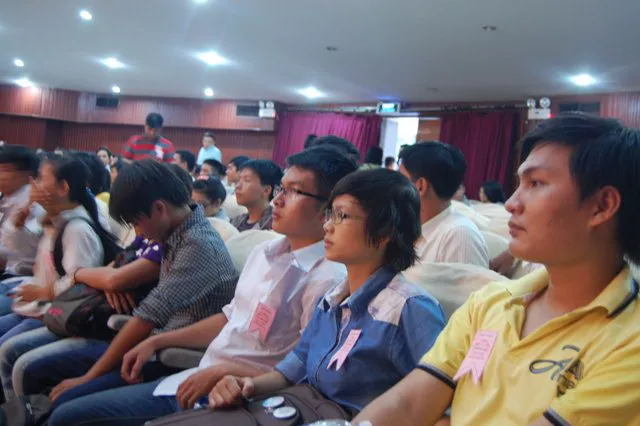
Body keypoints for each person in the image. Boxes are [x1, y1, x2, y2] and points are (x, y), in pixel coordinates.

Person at [353, 113, 640, 426]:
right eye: (519, 184)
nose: (512, 203)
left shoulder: (629, 339)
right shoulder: (490, 302)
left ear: (602, 206)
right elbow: (409, 403)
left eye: (536, 183)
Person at [45, 145, 357, 425]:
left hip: (243, 398)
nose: (277, 199)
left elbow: (308, 374)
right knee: (65, 407)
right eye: (281, 188)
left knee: (68, 415)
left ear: (330, 208)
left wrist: (225, 373)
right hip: (201, 374)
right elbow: (230, 317)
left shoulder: (328, 281)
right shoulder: (265, 252)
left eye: (294, 191)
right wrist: (159, 341)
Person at [208, 169, 446, 416]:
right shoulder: (333, 298)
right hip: (305, 411)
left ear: (384, 232)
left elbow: (438, 400)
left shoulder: (410, 309)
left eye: (342, 215)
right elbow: (297, 365)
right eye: (331, 214)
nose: (328, 226)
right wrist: (247, 385)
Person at [20, 160, 239, 409]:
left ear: (159, 209)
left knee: (65, 405)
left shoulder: (197, 246)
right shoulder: (176, 231)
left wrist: (87, 378)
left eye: (136, 223)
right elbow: (119, 275)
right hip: (149, 344)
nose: (138, 233)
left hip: (169, 358)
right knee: (35, 371)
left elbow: (147, 318)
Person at [0, 156, 117, 400]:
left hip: (57, 313)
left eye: (41, 178)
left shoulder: (77, 229)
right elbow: (23, 252)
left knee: (8, 351)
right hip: (40, 306)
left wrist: (46, 292)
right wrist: (21, 219)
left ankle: (16, 410)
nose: (33, 184)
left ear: (63, 187)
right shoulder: (55, 221)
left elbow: (82, 283)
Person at [398, 142, 489, 267]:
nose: (393, 186)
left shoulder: (460, 236)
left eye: (400, 179)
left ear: (420, 186)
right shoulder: (408, 224)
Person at [0, 147, 40, 316]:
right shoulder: (7, 197)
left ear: (27, 175)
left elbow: (23, 252)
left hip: (21, 277)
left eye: (4, 170)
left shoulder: (32, 203)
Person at [230, 160, 282, 232]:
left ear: (266, 190)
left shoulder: (276, 224)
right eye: (239, 180)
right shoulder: (235, 221)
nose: (237, 186)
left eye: (246, 180)